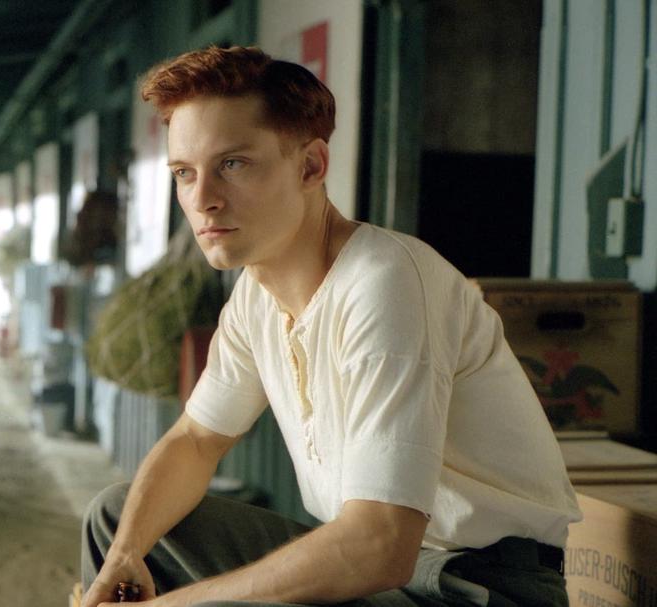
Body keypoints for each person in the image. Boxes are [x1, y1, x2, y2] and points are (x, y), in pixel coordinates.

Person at [81, 46, 581, 607]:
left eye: (233, 164)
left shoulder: (385, 282)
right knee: (118, 521)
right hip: (391, 574)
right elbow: (197, 441)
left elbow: (381, 545)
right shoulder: (255, 296)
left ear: (311, 166)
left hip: (473, 587)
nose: (203, 200)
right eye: (184, 173)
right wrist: (125, 555)